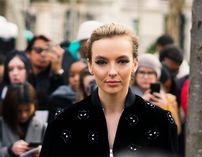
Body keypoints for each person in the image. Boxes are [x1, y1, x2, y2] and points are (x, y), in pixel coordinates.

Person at [40, 23, 178, 157]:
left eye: (122, 61)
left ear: (135, 64)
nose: (112, 72)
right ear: (90, 65)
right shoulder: (63, 122)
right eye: (102, 62)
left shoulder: (160, 122)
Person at [131, 53, 181, 135]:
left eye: (150, 73)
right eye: (142, 72)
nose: (146, 77)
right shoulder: (126, 96)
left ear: (157, 76)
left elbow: (176, 131)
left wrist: (165, 109)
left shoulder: (169, 99)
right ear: (135, 75)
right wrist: (140, 104)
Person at [0, 82, 47, 157]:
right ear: (9, 109)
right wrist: (9, 150)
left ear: (34, 106)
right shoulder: (2, 125)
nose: (23, 115)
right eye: (18, 111)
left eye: (27, 110)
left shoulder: (42, 127)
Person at [26, 35, 65, 110]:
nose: (43, 54)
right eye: (38, 50)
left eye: (47, 51)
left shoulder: (55, 75)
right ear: (28, 53)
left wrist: (57, 71)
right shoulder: (22, 73)